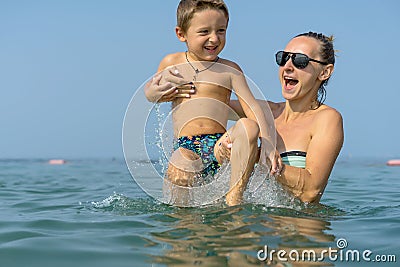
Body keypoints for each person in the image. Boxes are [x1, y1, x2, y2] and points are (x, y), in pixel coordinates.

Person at [144, 0, 277, 206]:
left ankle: (234, 199)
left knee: (249, 126)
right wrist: (153, 92)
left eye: (221, 30)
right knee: (179, 172)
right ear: (181, 34)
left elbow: (251, 107)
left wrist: (267, 142)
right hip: (187, 146)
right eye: (204, 31)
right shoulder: (172, 63)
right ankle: (182, 220)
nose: (214, 38)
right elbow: (153, 93)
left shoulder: (229, 70)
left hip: (220, 144)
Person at [227, 32, 344, 203]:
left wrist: (254, 155)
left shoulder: (327, 119)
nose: (288, 66)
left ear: (325, 72)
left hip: (298, 226)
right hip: (257, 224)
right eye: (283, 58)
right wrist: (176, 88)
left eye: (300, 61)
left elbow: (311, 191)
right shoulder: (264, 111)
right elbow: (207, 105)